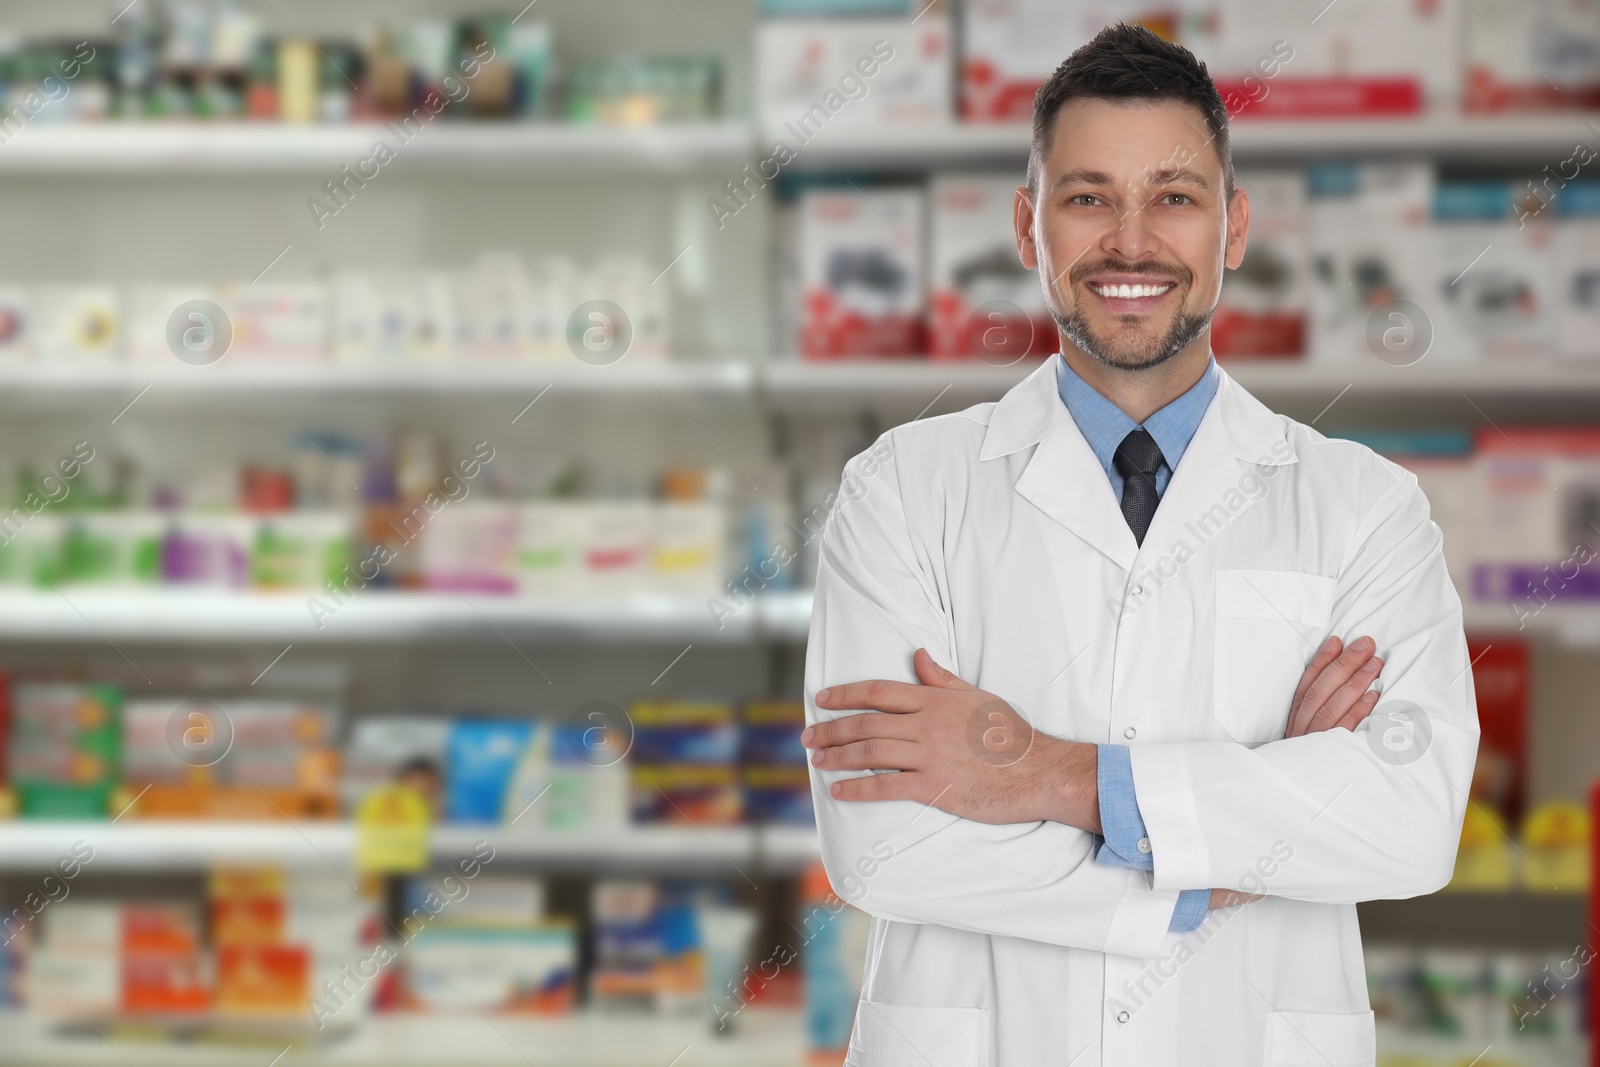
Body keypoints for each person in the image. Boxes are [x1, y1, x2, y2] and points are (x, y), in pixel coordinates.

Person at [799, 23, 1478, 1067]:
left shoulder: (1363, 507)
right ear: (1029, 227)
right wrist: (1247, 845)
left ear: (1232, 226)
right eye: (1085, 198)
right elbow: (882, 843)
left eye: (1172, 195)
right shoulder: (901, 490)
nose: (1129, 241)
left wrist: (1044, 772)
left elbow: (1410, 819)